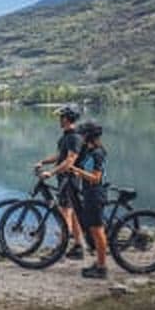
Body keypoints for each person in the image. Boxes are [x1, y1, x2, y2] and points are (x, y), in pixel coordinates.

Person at [35, 105, 85, 259]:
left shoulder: (75, 137)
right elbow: (59, 156)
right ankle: (78, 247)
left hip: (70, 179)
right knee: (73, 213)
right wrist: (43, 162)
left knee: (65, 214)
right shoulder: (65, 137)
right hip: (64, 178)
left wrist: (51, 172)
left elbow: (69, 161)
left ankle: (60, 251)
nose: (59, 120)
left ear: (67, 119)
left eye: (61, 117)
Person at [68, 121, 108, 279]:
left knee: (97, 231)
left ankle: (102, 268)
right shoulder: (91, 151)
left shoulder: (97, 153)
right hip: (89, 193)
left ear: (89, 136)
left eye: (83, 134)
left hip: (95, 193)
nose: (81, 137)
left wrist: (76, 170)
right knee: (93, 230)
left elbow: (96, 178)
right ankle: (98, 262)